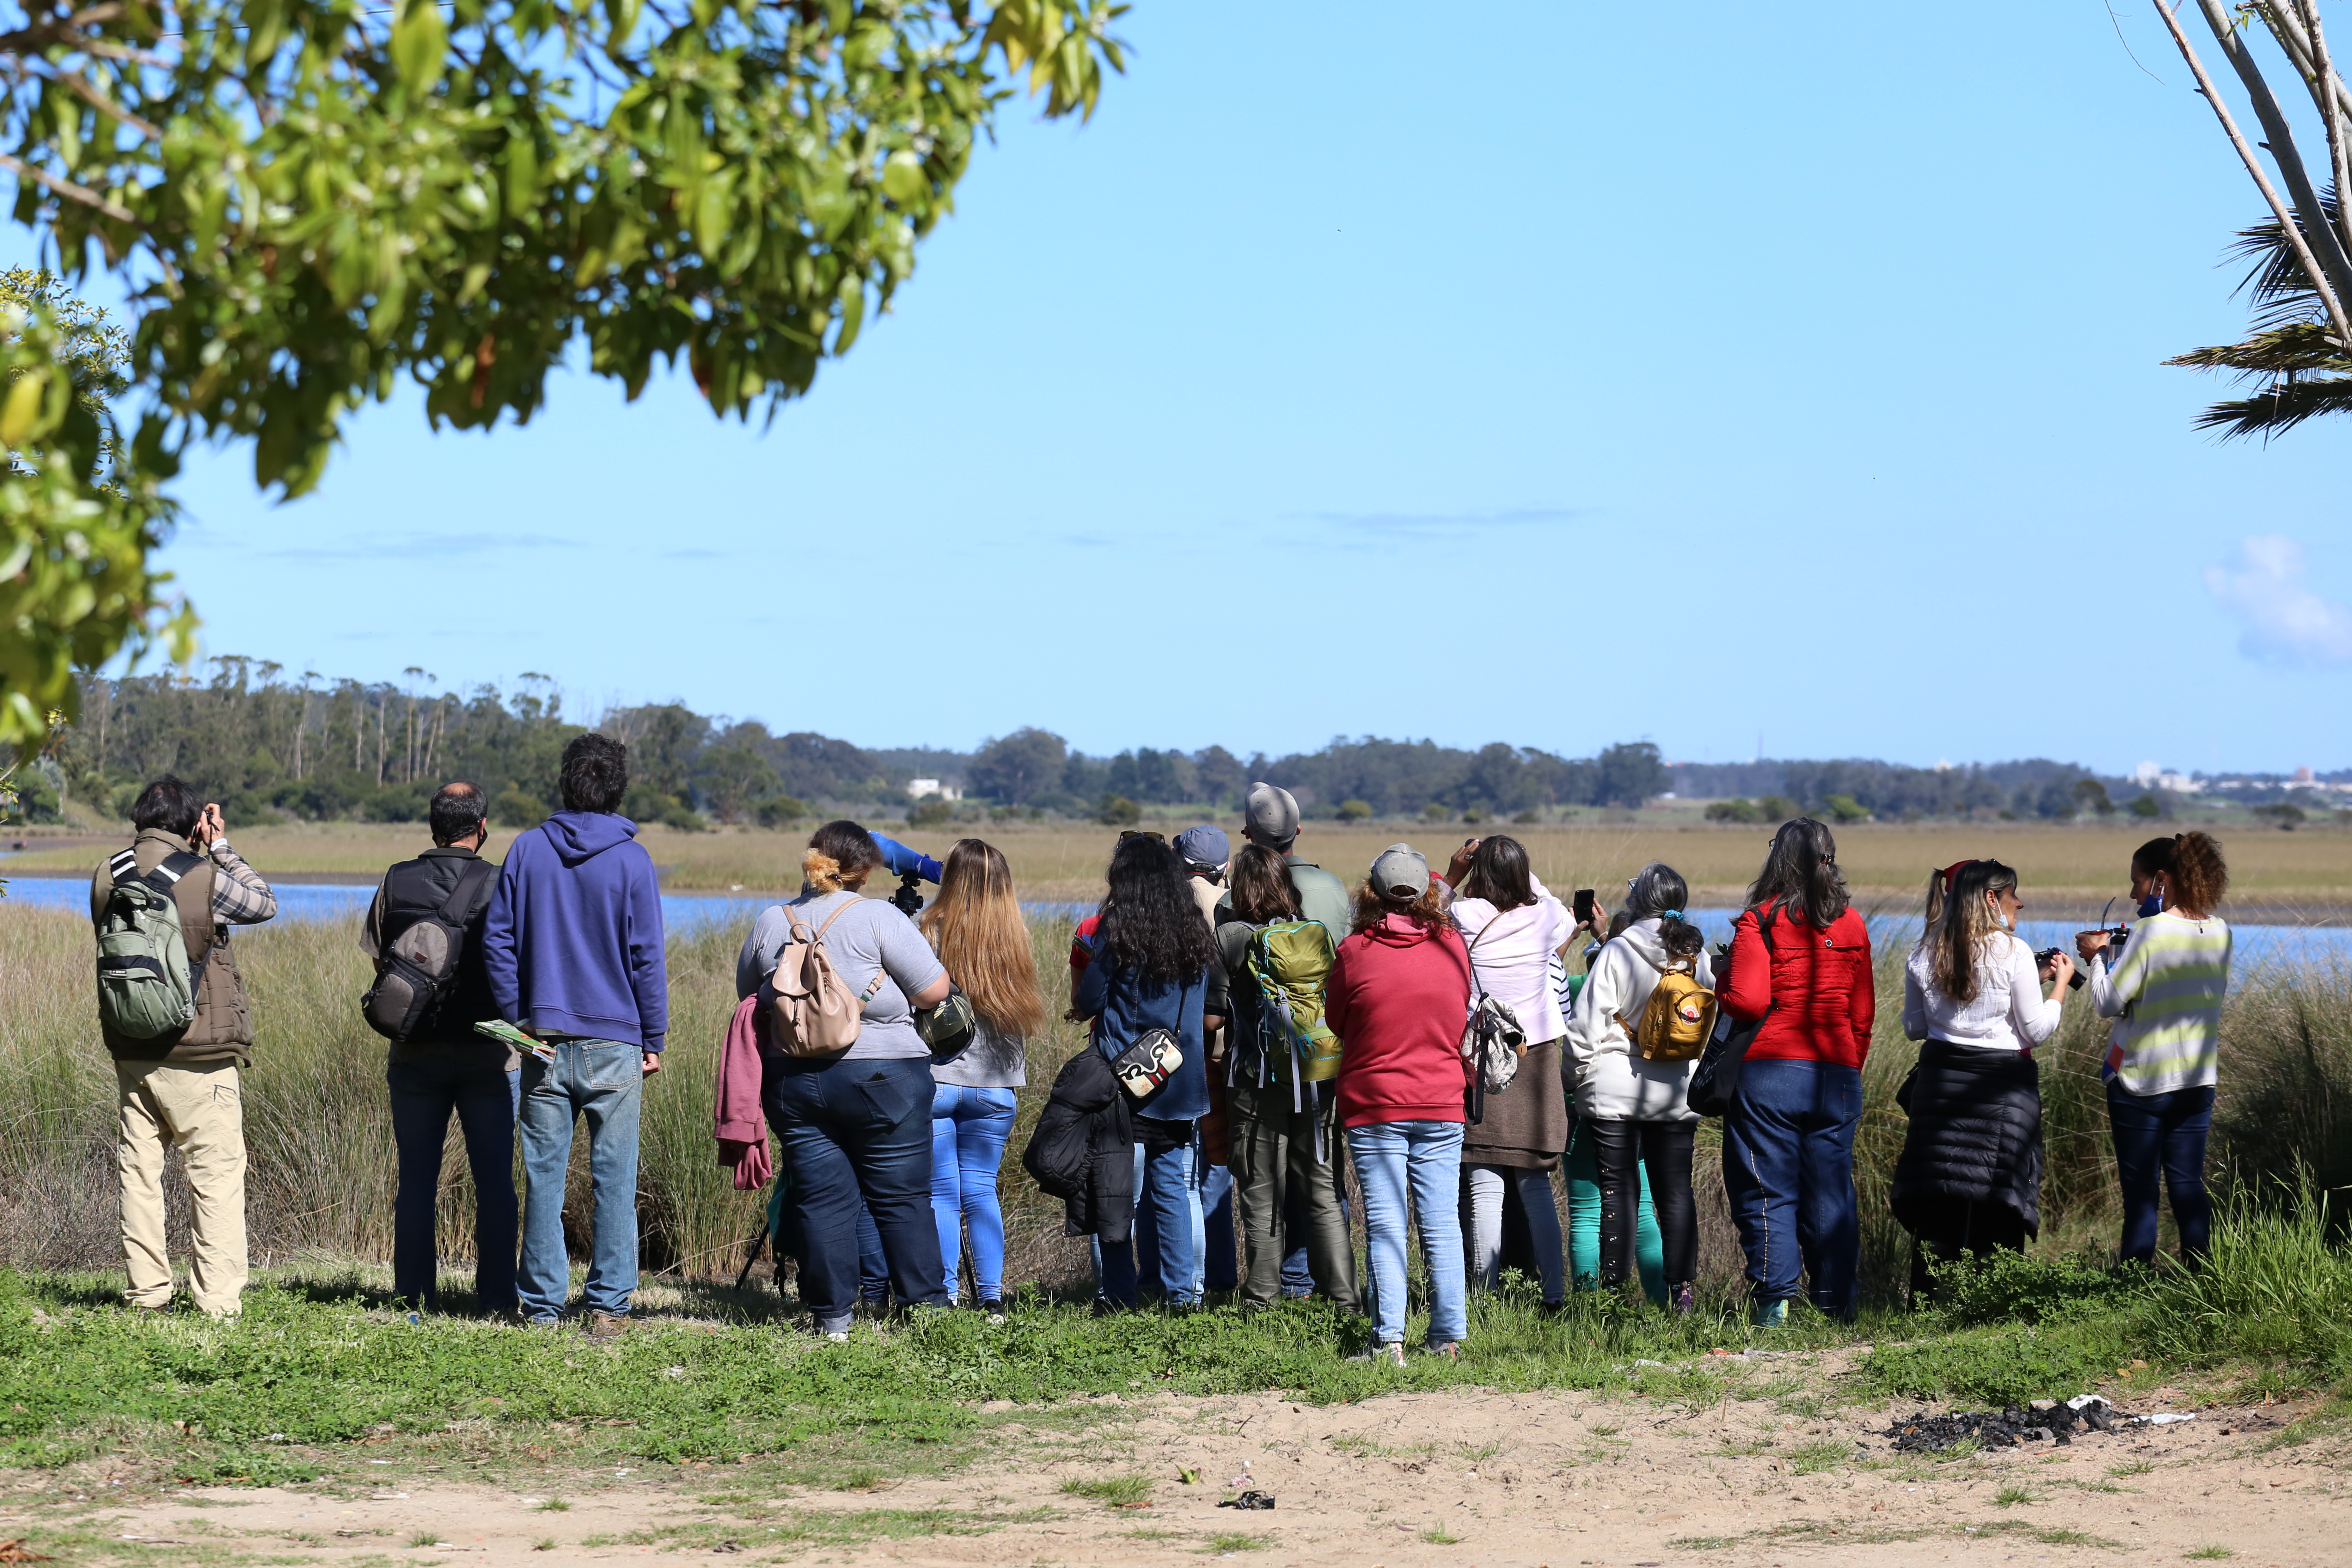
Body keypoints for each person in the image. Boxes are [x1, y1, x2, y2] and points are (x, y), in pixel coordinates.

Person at [481, 734, 669, 1336]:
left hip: (543, 1040)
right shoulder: (633, 860)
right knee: (615, 1178)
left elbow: (498, 941)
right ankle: (609, 1305)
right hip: (617, 1041)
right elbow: (647, 957)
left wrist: (519, 1020)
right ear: (617, 787)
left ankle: (540, 1307)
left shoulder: (527, 850)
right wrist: (654, 1036)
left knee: (544, 1175)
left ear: (566, 782)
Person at [740, 820, 954, 1336]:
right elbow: (934, 992)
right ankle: (924, 1312)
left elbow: (751, 994)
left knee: (821, 1198)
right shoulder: (880, 918)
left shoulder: (774, 920)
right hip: (886, 1079)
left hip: (795, 1080)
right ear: (864, 870)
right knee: (901, 1198)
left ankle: (832, 1319)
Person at [91, 776, 278, 1317]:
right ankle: (217, 1301)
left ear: (139, 819)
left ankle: (147, 1293)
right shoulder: (204, 877)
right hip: (200, 1053)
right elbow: (264, 903)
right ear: (193, 822)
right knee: (215, 1175)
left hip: (132, 1048)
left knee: (139, 1174)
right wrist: (219, 845)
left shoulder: (107, 874)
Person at [361, 781, 516, 1318]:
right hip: (489, 1053)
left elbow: (382, 961)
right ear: (482, 828)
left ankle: (413, 1299)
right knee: (495, 1181)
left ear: (432, 827)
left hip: (414, 1052)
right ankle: (497, 1300)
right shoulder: (503, 884)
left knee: (417, 1180)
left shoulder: (397, 879)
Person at [1717, 818, 1875, 1325]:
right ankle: (1837, 1306)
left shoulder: (1758, 921)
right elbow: (1863, 1015)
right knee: (1832, 1190)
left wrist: (1721, 982)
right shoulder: (1852, 924)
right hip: (1838, 1074)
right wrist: (1850, 1066)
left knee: (1767, 1188)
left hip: (1771, 1074)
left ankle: (1775, 1308)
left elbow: (1748, 1000)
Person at [1893, 858, 2068, 1301]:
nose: (2020, 903)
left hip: (1940, 1089)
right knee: (1999, 1199)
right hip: (2002, 1091)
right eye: (2013, 894)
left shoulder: (1925, 951)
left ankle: (1929, 1304)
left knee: (1939, 1202)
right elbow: (2035, 1031)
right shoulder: (2014, 952)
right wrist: (2059, 987)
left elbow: (1914, 1028)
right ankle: (1994, 1306)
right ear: (1992, 898)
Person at [1327, 844, 1473, 1364]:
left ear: (1373, 893)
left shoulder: (1354, 951)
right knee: (1440, 1221)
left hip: (1376, 1105)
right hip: (1441, 1100)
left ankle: (1388, 1340)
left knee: (1387, 1224)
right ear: (1428, 893)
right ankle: (1448, 1336)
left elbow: (1336, 1020)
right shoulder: (1453, 946)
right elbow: (1460, 1011)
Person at [1071, 833, 1222, 1311]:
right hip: (1178, 1079)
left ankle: (1117, 1295)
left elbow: (1089, 1000)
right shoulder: (1196, 930)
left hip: (1123, 1080)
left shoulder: (1118, 932)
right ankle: (1184, 1296)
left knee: (1115, 1192)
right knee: (1174, 1188)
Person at [1209, 842, 1361, 1312]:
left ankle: (1261, 1299)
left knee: (1260, 1192)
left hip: (1256, 1081)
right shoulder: (1313, 934)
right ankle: (1346, 1298)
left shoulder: (1231, 936)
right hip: (1317, 1079)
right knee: (1321, 1189)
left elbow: (1212, 1020)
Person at [2078, 833, 2233, 1269]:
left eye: (2138, 882)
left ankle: (2132, 1283)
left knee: (2142, 1193)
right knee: (2188, 1185)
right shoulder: (2220, 931)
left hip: (2142, 1082)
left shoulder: (2150, 931)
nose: (2133, 893)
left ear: (2162, 879)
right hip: (2198, 1080)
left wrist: (2098, 956)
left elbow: (2107, 1003)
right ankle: (2204, 1280)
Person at [1565, 863, 1709, 1314]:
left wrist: (1575, 1078)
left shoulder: (1618, 951)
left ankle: (1611, 1298)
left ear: (1636, 903)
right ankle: (1682, 1293)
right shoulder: (1696, 956)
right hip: (1678, 1092)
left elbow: (1586, 1028)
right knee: (1676, 1193)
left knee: (1618, 1192)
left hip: (1613, 1091)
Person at [919, 838, 1048, 1317]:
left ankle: (946, 1294)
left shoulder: (928, 929)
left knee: (942, 1194)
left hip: (938, 1082)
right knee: (980, 1188)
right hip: (996, 1087)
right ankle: (992, 1297)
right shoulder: (1016, 934)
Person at [1444, 835, 1572, 1309]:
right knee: (1535, 1181)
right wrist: (1520, 870)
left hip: (1483, 1058)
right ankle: (1555, 1295)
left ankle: (1483, 1297)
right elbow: (1554, 905)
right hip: (1535, 1055)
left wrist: (1456, 873)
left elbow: (1432, 909)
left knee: (1483, 1182)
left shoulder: (1466, 915)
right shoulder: (1544, 917)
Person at [1173, 824, 1238, 1296]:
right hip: (1227, 1055)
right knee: (1216, 1172)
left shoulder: (1173, 904)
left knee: (1181, 1173)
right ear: (1225, 867)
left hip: (1180, 1053)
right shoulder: (1234, 905)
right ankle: (1219, 1278)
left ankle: (1181, 1281)